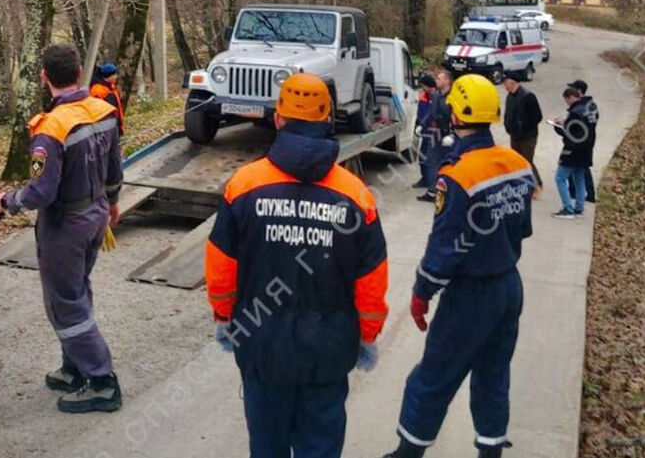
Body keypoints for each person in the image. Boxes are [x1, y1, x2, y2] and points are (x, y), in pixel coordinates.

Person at [206, 73, 389, 458]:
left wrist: (225, 318)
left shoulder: (243, 185)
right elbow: (371, 281)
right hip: (328, 351)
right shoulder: (356, 195)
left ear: (277, 119)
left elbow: (221, 269)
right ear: (328, 121)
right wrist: (366, 336)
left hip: (262, 345)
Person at [379, 74, 535, 458]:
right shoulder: (517, 164)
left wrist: (421, 293)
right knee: (493, 374)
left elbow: (443, 251)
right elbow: (522, 229)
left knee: (433, 377)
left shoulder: (457, 176)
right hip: (509, 287)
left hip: (471, 295)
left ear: (453, 114)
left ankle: (407, 452)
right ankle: (491, 449)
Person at [0, 44, 123, 413]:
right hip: (95, 216)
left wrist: (4, 202)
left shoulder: (51, 129)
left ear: (45, 77)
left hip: (66, 225)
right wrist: (112, 205)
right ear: (79, 71)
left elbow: (41, 192)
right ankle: (74, 367)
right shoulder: (104, 110)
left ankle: (101, 381)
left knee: (65, 303)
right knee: (77, 291)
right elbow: (114, 172)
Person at [551, 87, 596, 219]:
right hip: (586, 150)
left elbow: (569, 133)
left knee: (560, 178)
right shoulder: (590, 109)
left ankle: (567, 208)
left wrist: (557, 126)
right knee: (579, 179)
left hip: (572, 151)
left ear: (570, 97)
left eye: (566, 100)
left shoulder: (574, 112)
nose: (567, 103)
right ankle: (579, 207)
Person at [502, 72, 544, 193]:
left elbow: (537, 116)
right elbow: (508, 113)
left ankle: (536, 185)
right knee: (516, 161)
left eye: (505, 82)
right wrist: (508, 125)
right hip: (514, 135)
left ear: (512, 82)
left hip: (528, 136)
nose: (504, 85)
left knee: (526, 161)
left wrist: (524, 125)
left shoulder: (528, 96)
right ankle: (520, 185)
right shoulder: (510, 96)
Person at [418, 70, 453, 202]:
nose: (436, 80)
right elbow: (431, 113)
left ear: (447, 81)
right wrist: (422, 125)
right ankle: (433, 191)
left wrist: (452, 135)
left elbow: (457, 118)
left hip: (448, 137)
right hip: (435, 135)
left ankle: (447, 192)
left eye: (439, 78)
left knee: (448, 165)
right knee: (430, 163)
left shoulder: (453, 97)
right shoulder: (437, 96)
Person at [565, 80, 596, 203]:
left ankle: (588, 194)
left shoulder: (581, 107)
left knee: (582, 167)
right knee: (578, 165)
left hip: (582, 141)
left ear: (578, 91)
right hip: (586, 139)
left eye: (572, 89)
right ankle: (575, 191)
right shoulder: (590, 104)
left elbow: (583, 125)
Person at [89, 62, 125, 135]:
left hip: (114, 127)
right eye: (114, 75)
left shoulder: (111, 87)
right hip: (105, 130)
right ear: (108, 76)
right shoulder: (97, 90)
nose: (116, 77)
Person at [414, 74, 436, 188]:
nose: (422, 87)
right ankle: (425, 179)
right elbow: (420, 114)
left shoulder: (437, 98)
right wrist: (418, 125)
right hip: (425, 131)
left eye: (423, 85)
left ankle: (432, 183)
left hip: (435, 133)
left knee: (431, 159)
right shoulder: (423, 97)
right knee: (422, 157)